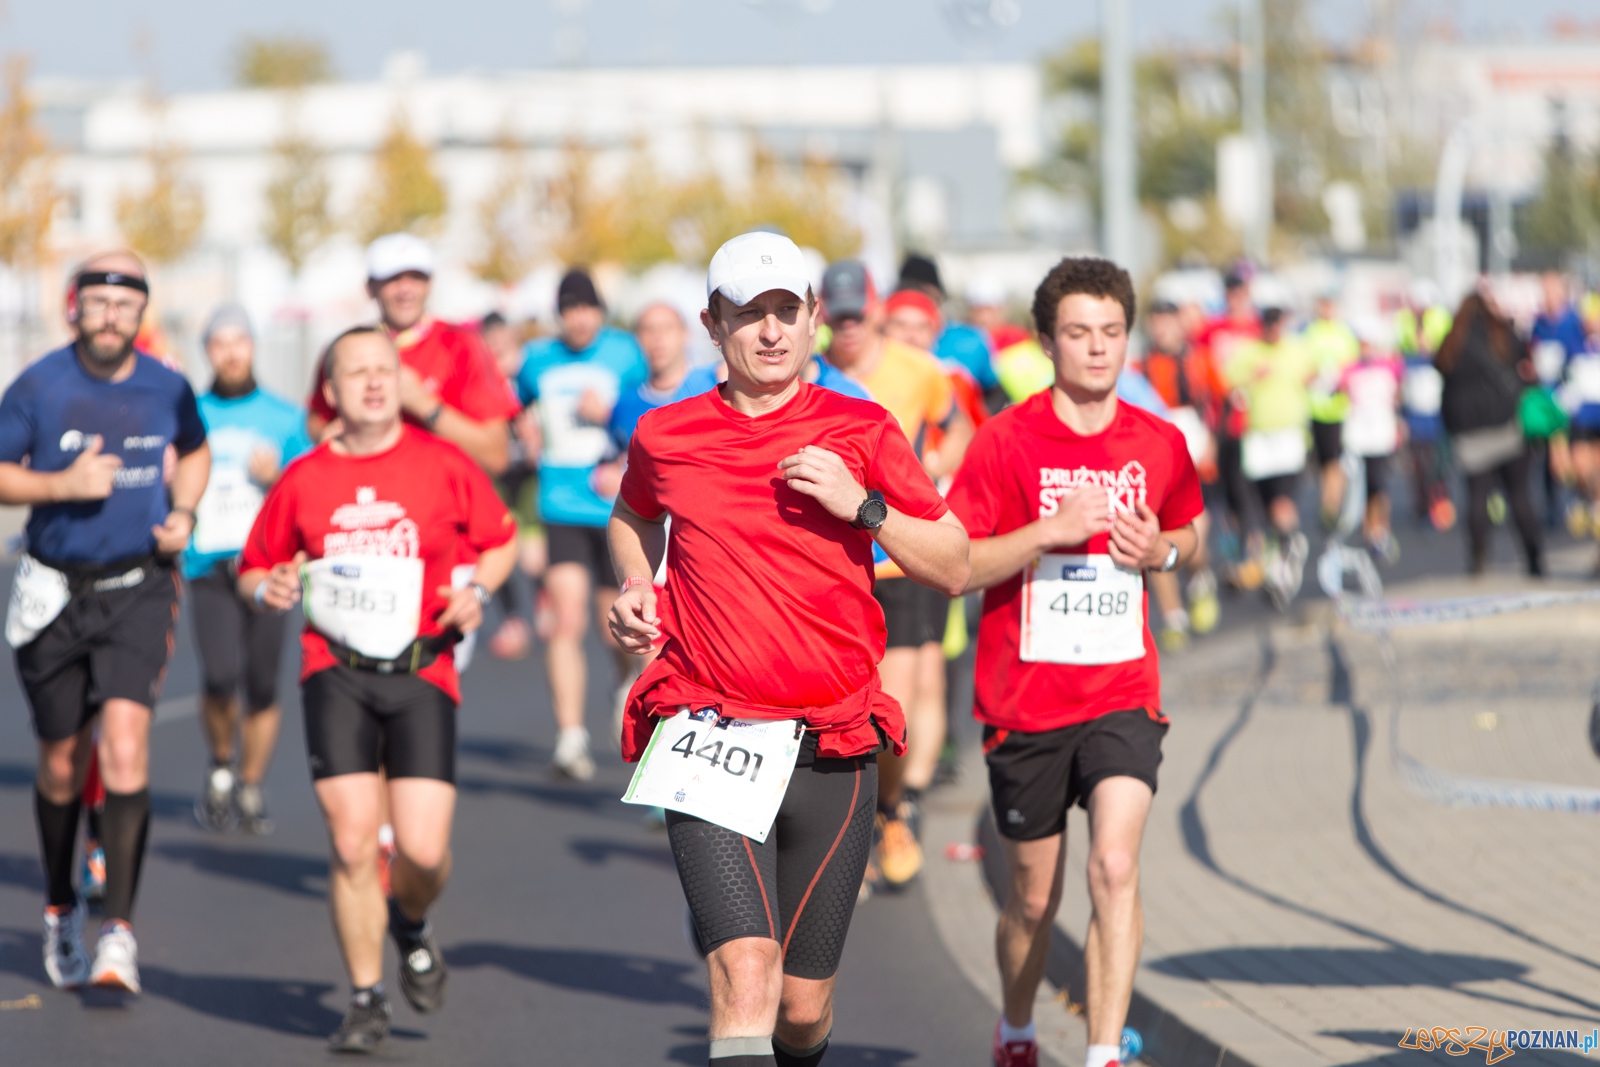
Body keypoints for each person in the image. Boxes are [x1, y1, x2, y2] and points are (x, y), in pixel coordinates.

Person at [607, 231, 969, 1067]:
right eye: (749, 315)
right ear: (713, 324)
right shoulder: (666, 435)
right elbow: (632, 517)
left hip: (833, 737)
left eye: (786, 312)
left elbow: (952, 563)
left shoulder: (864, 428)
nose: (770, 332)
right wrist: (636, 584)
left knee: (803, 1011)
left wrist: (864, 506)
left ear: (812, 319)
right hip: (708, 727)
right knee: (746, 969)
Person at [944, 257, 1201, 1067]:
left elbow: (1191, 532)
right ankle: (1017, 1027)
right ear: (1048, 342)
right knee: (1031, 897)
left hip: (1121, 688)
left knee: (1115, 865)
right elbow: (957, 566)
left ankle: (1101, 1053)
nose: (1098, 349)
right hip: (1025, 701)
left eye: (1112, 333)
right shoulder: (1005, 441)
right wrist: (1043, 534)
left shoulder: (1157, 441)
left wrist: (1162, 548)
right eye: (1079, 334)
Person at [239, 326, 517, 1052]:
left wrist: (477, 592)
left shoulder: (444, 463)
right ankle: (365, 996)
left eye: (383, 369)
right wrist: (267, 586)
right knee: (355, 839)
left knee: (421, 853)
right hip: (335, 670)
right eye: (354, 372)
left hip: (423, 668)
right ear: (328, 391)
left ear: (400, 380)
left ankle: (413, 922)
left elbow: (503, 538)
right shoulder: (303, 477)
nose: (372, 381)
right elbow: (256, 565)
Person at [0, 251, 210, 992]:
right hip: (54, 589)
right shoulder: (40, 385)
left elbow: (195, 450)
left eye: (126, 303)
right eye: (98, 302)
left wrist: (184, 510)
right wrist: (58, 483)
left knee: (124, 746)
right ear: (73, 308)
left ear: (141, 314)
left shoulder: (168, 387)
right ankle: (62, 907)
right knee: (62, 759)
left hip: (137, 586)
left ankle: (118, 929)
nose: (112, 315)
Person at [821, 259, 974, 889]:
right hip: (838, 559)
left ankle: (895, 809)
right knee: (846, 702)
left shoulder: (917, 370)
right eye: (840, 315)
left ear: (877, 311)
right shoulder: (814, 376)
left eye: (860, 313)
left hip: (901, 550)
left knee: (897, 704)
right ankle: (863, 819)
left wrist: (937, 465)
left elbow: (959, 422)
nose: (851, 324)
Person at [185, 304, 311, 835]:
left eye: (240, 341)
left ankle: (252, 781)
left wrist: (277, 473)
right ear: (207, 351)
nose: (231, 352)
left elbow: (308, 489)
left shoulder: (284, 417)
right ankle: (220, 764)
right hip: (209, 561)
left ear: (253, 346)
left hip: (270, 567)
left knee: (262, 683)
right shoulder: (188, 415)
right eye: (220, 343)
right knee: (218, 676)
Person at [517, 269, 647, 780]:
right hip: (560, 505)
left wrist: (611, 414)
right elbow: (517, 405)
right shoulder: (537, 361)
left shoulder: (626, 353)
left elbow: (650, 411)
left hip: (618, 509)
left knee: (611, 627)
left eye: (587, 308)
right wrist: (524, 431)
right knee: (564, 621)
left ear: (600, 311)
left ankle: (621, 687)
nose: (579, 318)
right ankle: (570, 737)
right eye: (570, 309)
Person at [306, 234, 519, 475]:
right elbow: (317, 422)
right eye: (393, 278)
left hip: (443, 505)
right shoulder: (346, 350)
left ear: (430, 283)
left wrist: (425, 405)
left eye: (416, 277)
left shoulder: (464, 345)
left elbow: (496, 456)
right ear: (370, 287)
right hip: (368, 502)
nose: (405, 289)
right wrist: (337, 434)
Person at [1437, 292, 1543, 576]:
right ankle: (1534, 559)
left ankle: (1478, 560)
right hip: (1506, 424)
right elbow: (1527, 367)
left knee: (1477, 497)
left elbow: (1441, 374)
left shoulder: (1452, 342)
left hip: (1469, 431)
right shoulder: (1502, 335)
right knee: (1519, 495)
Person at [1141, 301, 1223, 648]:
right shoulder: (1139, 367)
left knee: (1195, 538)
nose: (1161, 328)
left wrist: (1212, 442)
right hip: (1155, 459)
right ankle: (1174, 616)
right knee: (1156, 535)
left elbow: (1220, 403)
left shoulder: (1200, 360)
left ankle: (1200, 578)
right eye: (1154, 321)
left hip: (1195, 456)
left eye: (1166, 321)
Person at [1224, 307, 1317, 609]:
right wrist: (1252, 377)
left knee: (1282, 501)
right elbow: (1228, 382)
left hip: (1289, 436)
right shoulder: (1249, 351)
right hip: (1259, 438)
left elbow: (1313, 376)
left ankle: (1289, 546)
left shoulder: (1296, 350)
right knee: (1263, 507)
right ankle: (1279, 557)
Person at [479, 312, 544, 661]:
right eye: (493, 344)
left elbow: (542, 420)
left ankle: (542, 594)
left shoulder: (528, 380)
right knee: (496, 545)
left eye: (506, 342)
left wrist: (536, 438)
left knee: (533, 559)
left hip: (528, 475)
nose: (500, 350)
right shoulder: (478, 387)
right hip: (495, 476)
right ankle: (513, 621)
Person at [1194, 272, 1261, 587]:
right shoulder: (1212, 329)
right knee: (1222, 491)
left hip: (1255, 421)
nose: (1235, 296)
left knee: (1247, 491)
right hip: (1221, 421)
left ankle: (1252, 551)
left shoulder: (1258, 327)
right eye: (1230, 291)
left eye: (1241, 290)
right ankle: (1233, 553)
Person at [1534, 271, 1600, 536]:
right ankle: (1586, 501)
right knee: (1577, 469)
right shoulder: (1572, 341)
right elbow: (1560, 377)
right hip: (1580, 416)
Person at [1340, 319, 1405, 563]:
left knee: (1380, 483)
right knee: (1360, 486)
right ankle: (1368, 528)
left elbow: (1397, 396)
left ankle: (1380, 529)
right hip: (1358, 436)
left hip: (1381, 434)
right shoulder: (1350, 369)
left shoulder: (1389, 366)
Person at [1303, 292, 1360, 526]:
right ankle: (1328, 502)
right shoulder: (1309, 333)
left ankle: (1332, 505)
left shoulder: (1343, 333)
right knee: (1322, 462)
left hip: (1339, 410)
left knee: (1336, 461)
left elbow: (1353, 367)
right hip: (1316, 409)